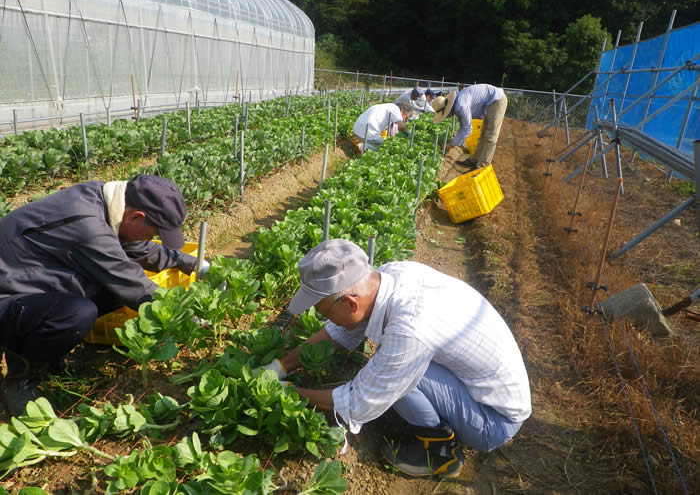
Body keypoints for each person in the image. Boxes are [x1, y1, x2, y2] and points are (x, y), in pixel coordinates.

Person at [262, 239, 531, 478]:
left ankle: (439, 451)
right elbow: (340, 332)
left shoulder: (409, 328)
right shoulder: (390, 275)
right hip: (480, 388)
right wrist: (279, 367)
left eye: (323, 311)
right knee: (392, 365)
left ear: (351, 303)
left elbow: (357, 402)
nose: (324, 319)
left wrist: (287, 393)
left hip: (493, 420)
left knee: (393, 370)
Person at [0, 174, 208, 415]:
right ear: (136, 216)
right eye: (152, 233)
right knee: (77, 313)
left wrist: (191, 263)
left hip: (31, 278)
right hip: (7, 293)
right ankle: (20, 379)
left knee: (105, 292)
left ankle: (51, 357)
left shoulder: (106, 200)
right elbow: (133, 284)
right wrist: (185, 315)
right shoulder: (88, 225)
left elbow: (136, 248)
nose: (151, 239)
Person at [432, 84, 508, 170]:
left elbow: (467, 128)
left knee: (491, 135)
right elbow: (463, 126)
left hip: (497, 100)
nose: (447, 116)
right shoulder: (457, 103)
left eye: (445, 114)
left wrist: (451, 144)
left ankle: (481, 167)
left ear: (448, 109)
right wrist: (457, 142)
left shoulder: (460, 105)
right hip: (489, 102)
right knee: (483, 133)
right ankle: (474, 160)